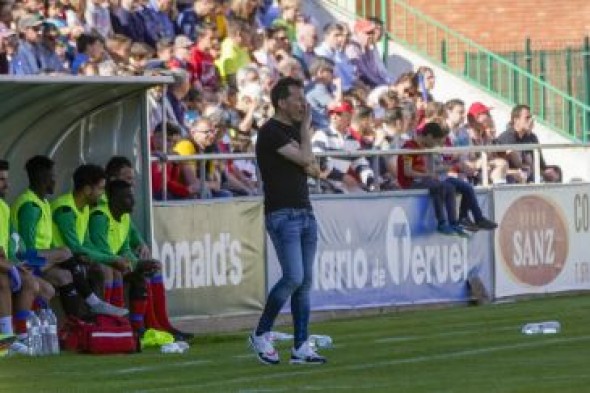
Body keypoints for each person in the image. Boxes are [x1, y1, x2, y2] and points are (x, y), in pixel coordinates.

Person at [249, 77, 326, 365]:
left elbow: (314, 169)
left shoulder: (292, 132)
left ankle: (301, 346)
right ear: (281, 102)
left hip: (304, 211)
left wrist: (306, 155)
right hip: (283, 213)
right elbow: (308, 159)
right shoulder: (271, 132)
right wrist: (306, 132)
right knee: (293, 277)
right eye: (297, 98)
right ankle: (261, 332)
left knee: (304, 282)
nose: (303, 103)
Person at [11, 156, 120, 318]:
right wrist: (58, 256)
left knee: (65, 276)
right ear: (43, 179)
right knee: (64, 251)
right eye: (53, 177)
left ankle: (76, 324)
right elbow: (27, 250)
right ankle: (93, 302)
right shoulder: (30, 206)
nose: (55, 182)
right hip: (26, 261)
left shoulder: (43, 203)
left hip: (41, 261)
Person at [103, 158, 193, 340]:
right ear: (113, 180)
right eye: (128, 178)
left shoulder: (121, 201)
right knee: (142, 270)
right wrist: (130, 259)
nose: (133, 183)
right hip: (108, 261)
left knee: (152, 266)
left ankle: (161, 324)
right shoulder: (106, 205)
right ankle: (138, 326)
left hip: (118, 258)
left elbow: (129, 232)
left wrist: (141, 244)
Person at [51, 164, 129, 315]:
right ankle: (97, 315)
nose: (102, 194)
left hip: (71, 259)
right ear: (87, 190)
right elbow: (75, 247)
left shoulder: (85, 207)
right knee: (102, 269)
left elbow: (86, 243)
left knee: (107, 267)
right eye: (100, 188)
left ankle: (110, 319)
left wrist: (112, 258)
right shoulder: (65, 210)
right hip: (58, 261)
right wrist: (110, 259)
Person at [0, 159, 48, 343]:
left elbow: (13, 244)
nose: (7, 184)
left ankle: (22, 336)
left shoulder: (4, 207)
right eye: (1, 179)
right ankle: (5, 337)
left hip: (4, 262)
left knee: (31, 282)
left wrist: (15, 263)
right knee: (3, 277)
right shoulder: (29, 205)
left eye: (6, 179)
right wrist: (10, 267)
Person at [496, 104, 562, 183]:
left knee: (556, 170)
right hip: (514, 173)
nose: (531, 121)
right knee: (527, 172)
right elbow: (518, 163)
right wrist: (542, 173)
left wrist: (546, 171)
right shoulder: (507, 136)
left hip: (530, 171)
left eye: (531, 118)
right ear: (516, 120)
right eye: (527, 118)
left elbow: (540, 163)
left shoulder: (532, 137)